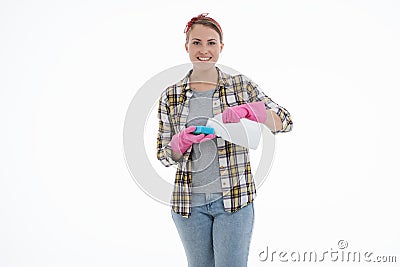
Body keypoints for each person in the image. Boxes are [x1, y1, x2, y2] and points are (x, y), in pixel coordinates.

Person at [156, 13, 293, 267]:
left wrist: (253, 111)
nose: (204, 50)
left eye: (211, 42)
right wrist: (179, 143)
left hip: (234, 203)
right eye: (196, 43)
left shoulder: (240, 87)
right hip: (189, 207)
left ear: (221, 46)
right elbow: (164, 155)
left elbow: (285, 121)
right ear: (186, 46)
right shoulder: (171, 95)